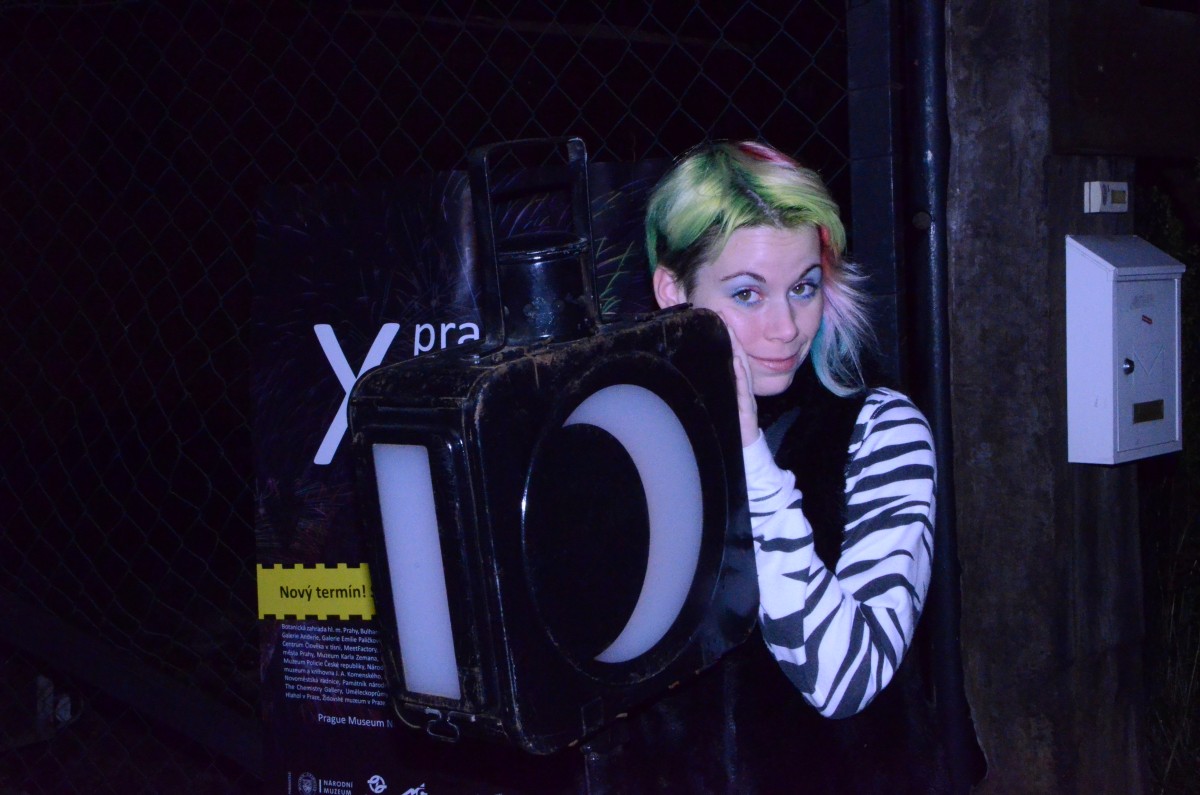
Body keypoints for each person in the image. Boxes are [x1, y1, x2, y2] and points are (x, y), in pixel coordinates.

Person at [631, 140, 946, 792]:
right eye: (748, 294)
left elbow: (845, 678)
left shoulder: (881, 429)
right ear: (672, 291)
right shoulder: (635, 430)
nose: (785, 327)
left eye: (804, 287)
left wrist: (751, 457)